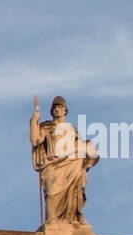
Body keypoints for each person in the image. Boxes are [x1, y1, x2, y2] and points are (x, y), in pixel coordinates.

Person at [30, 95, 99, 224]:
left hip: (70, 163)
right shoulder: (46, 127)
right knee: (52, 194)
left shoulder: (72, 129)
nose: (57, 110)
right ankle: (52, 223)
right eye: (55, 107)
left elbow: (80, 146)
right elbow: (35, 141)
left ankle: (71, 218)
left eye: (60, 107)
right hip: (52, 165)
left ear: (65, 110)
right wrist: (34, 122)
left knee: (75, 182)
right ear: (51, 111)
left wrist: (90, 150)